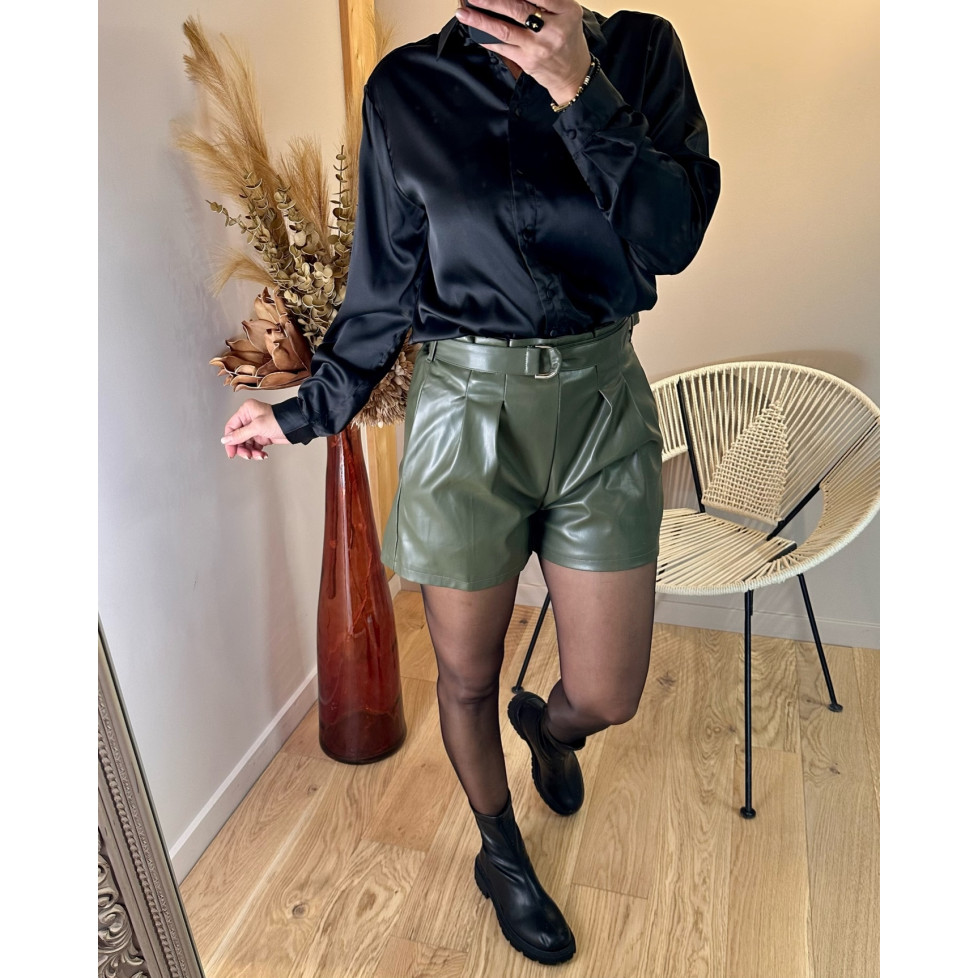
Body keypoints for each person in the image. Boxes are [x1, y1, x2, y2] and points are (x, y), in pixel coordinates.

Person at [221, 0, 719, 964]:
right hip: (466, 414)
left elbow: (671, 239)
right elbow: (382, 289)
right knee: (466, 673)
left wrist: (578, 88)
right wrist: (302, 412)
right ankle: (501, 854)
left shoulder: (641, 52)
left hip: (602, 404)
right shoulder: (408, 89)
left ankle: (552, 731)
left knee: (609, 692)